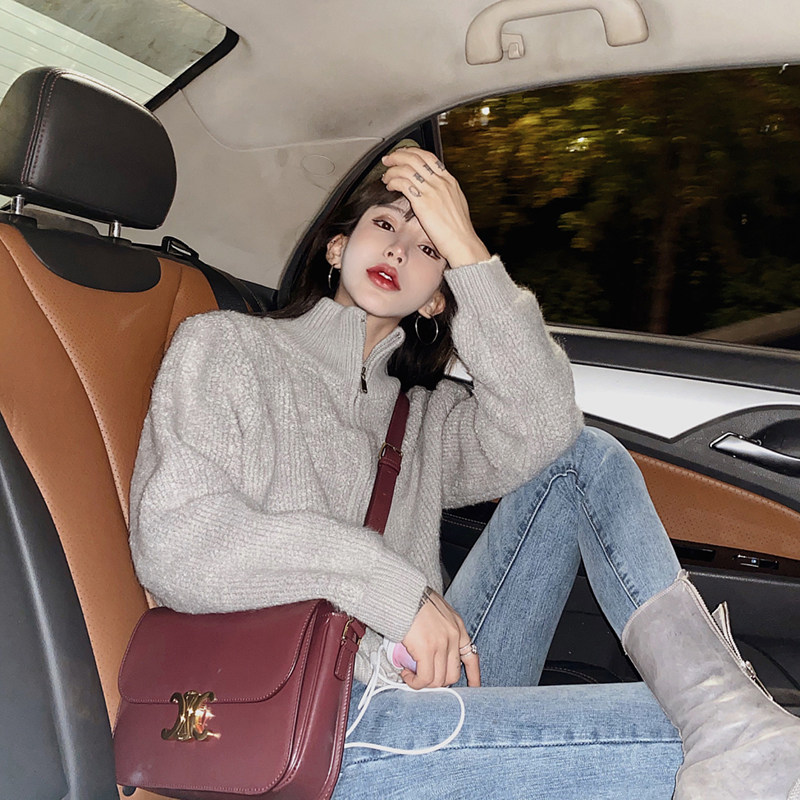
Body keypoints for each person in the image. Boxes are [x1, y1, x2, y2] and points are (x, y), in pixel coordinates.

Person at [129, 145, 800, 800]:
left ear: (435, 301)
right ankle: (733, 730)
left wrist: (471, 254)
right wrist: (394, 591)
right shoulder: (227, 347)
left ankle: (726, 716)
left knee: (583, 459)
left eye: (429, 249)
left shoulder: (423, 419)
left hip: (429, 684)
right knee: (697, 741)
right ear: (337, 247)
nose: (400, 250)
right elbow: (177, 542)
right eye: (385, 224)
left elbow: (547, 425)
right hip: (308, 718)